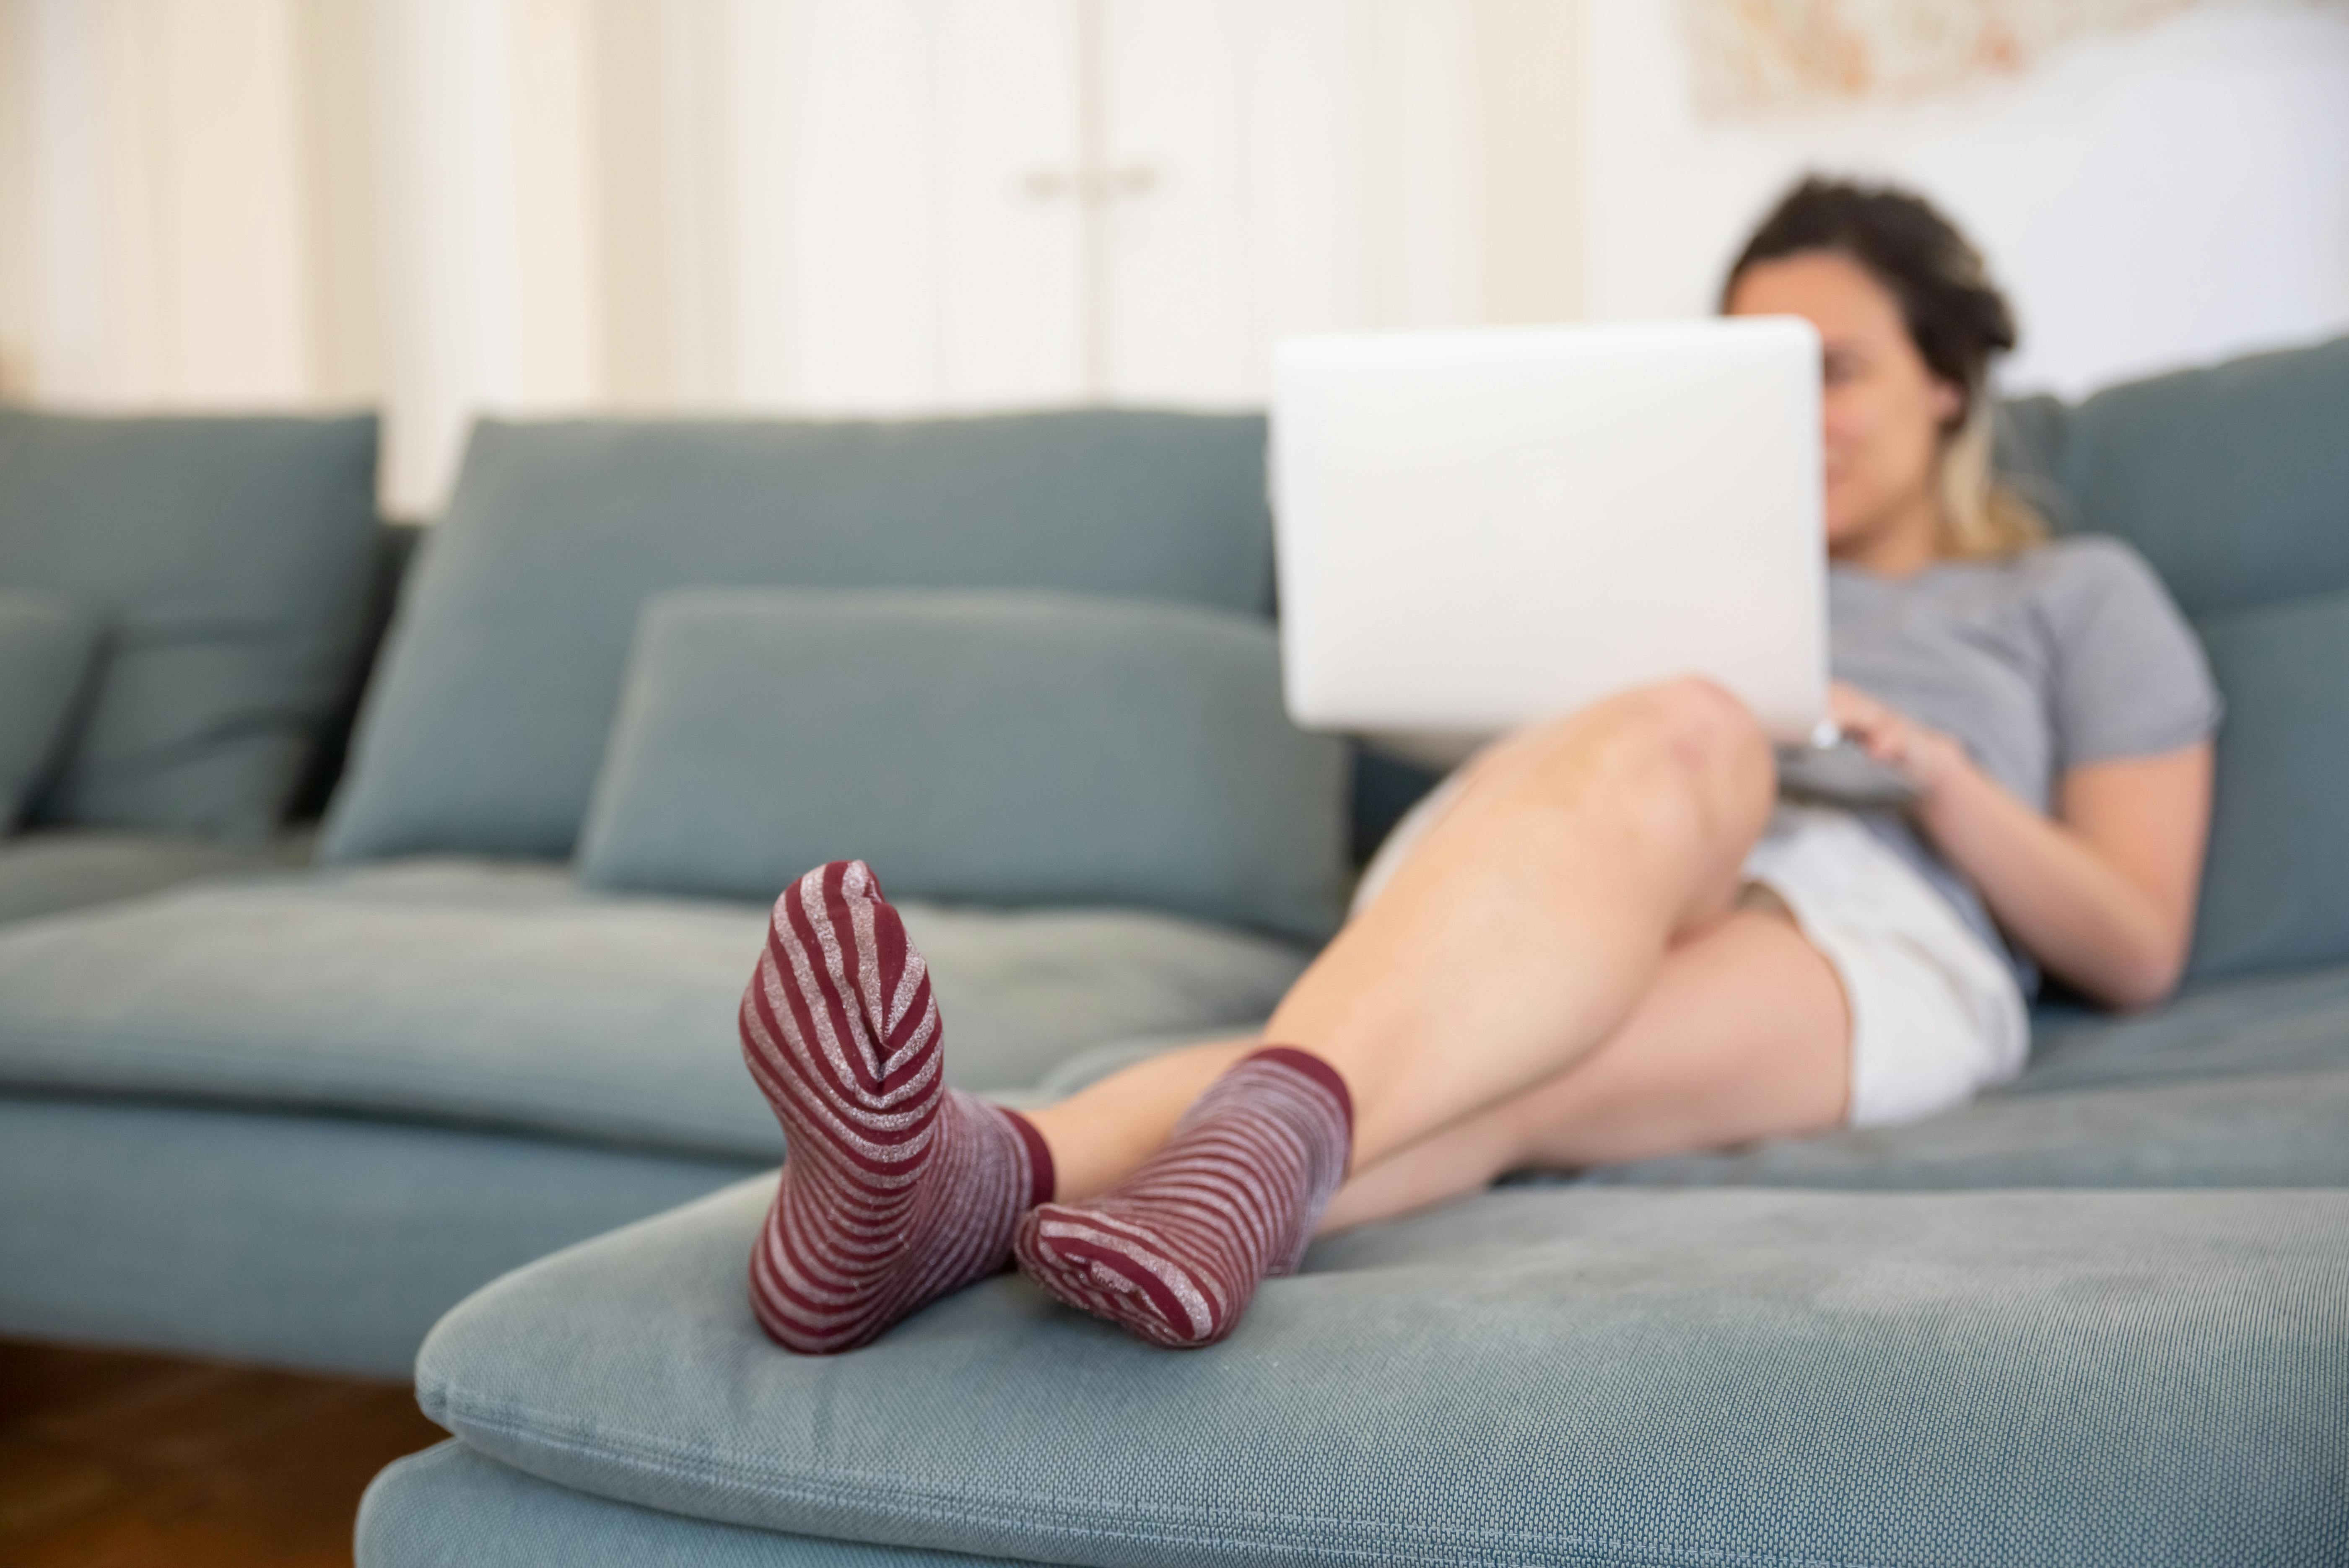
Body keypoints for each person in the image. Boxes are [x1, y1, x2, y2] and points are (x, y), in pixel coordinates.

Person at [739, 176, 2223, 1356]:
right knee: (1685, 724)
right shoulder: (1673, 560)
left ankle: (967, 1184)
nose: (1804, 419)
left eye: (1835, 372)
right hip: (1583, 833)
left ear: (1946, 382)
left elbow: (2136, 942)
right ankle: (1020, 1188)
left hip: (1856, 911)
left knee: (1508, 1071)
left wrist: (1935, 774)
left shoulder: (2069, 595)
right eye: (1765, 380)